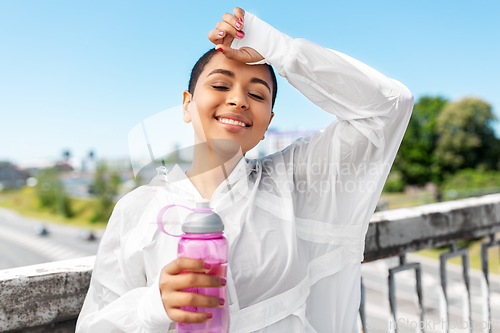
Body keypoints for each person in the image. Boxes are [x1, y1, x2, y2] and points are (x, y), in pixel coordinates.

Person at [76, 7, 413, 332]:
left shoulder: (293, 182)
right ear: (186, 104)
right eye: (220, 86)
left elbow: (389, 107)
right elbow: (95, 324)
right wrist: (152, 308)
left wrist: (276, 47)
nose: (238, 100)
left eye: (256, 93)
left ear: (267, 122)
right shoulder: (136, 211)